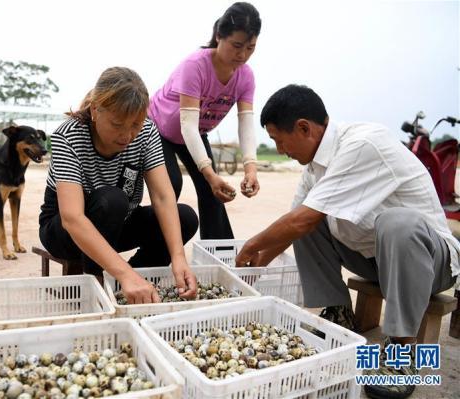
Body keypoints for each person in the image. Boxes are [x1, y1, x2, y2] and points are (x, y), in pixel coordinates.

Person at [235, 84, 459, 399]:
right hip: (376, 261)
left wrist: (251, 245)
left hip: (428, 264)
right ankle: (339, 311)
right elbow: (295, 223)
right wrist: (257, 264)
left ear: (304, 128)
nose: (280, 149)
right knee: (304, 220)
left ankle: (401, 350)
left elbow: (304, 219)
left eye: (278, 140)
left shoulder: (363, 144)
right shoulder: (313, 167)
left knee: (397, 222)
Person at [39, 67, 199, 304]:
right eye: (117, 124)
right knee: (112, 200)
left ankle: (134, 285)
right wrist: (123, 272)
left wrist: (179, 257)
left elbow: (164, 197)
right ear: (95, 110)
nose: (127, 135)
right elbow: (72, 218)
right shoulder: (68, 136)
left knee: (185, 217)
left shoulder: (146, 132)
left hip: (118, 223)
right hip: (65, 230)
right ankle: (97, 286)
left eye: (135, 124)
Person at [148, 2, 261, 239]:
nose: (242, 55)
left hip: (195, 133)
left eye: (250, 48)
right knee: (171, 185)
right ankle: (159, 252)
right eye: (237, 46)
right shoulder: (195, 66)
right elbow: (187, 124)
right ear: (219, 36)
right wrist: (208, 173)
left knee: (213, 192)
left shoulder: (246, 76)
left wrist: (250, 167)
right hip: (158, 130)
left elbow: (246, 123)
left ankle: (220, 258)